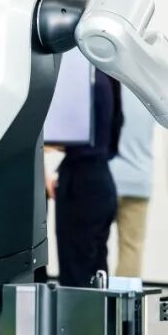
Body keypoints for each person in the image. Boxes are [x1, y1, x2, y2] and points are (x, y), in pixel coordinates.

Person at [49, 69, 124, 287]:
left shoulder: (84, 81)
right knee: (95, 275)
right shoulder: (105, 78)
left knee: (77, 276)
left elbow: (64, 132)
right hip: (98, 182)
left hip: (82, 187)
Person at [109, 88, 154, 278]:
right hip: (139, 179)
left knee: (93, 246)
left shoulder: (109, 85)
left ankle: (94, 294)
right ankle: (125, 296)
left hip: (106, 178)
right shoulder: (148, 91)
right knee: (132, 248)